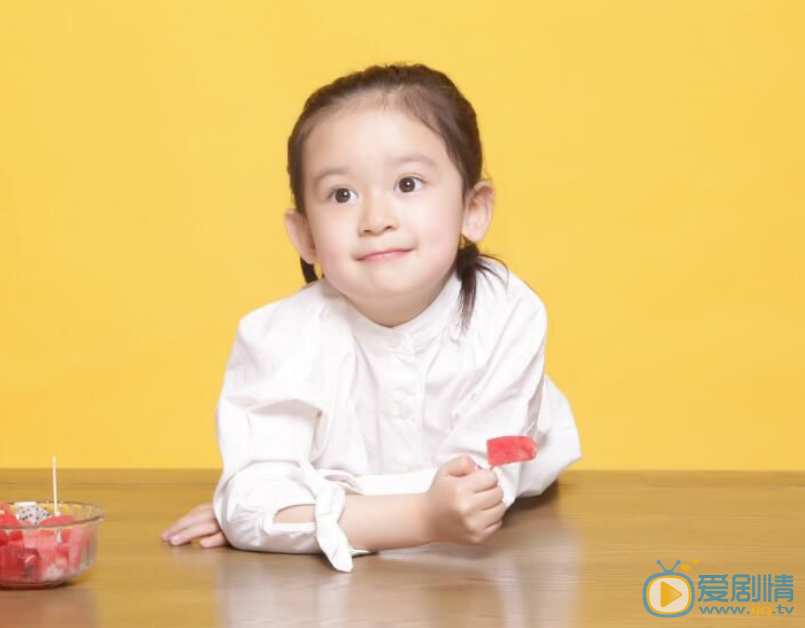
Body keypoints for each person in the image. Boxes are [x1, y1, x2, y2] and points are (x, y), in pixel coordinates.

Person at [161, 62, 582, 572]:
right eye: (342, 195)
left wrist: (307, 509)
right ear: (306, 236)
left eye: (408, 183)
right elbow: (251, 505)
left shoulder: (507, 315)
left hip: (510, 550)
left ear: (473, 207)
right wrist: (422, 515)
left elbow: (482, 487)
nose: (376, 219)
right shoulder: (276, 339)